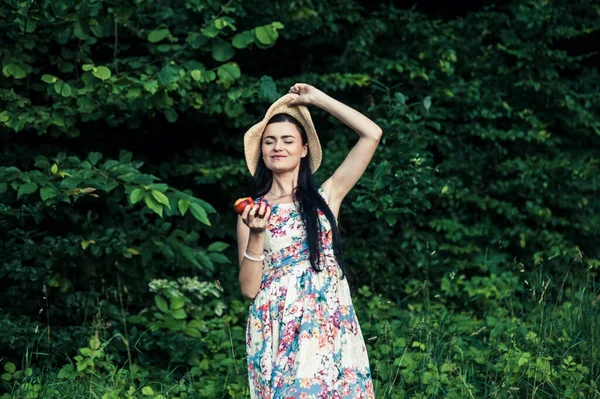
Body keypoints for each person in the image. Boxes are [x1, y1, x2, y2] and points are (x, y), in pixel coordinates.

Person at [237, 83, 382, 399]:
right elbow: (249, 289)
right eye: (270, 141)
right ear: (261, 151)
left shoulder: (326, 197)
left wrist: (317, 99)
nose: (278, 147)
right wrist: (258, 234)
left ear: (304, 149)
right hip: (276, 323)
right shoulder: (251, 211)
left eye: (288, 140)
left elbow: (372, 134)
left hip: (328, 320)